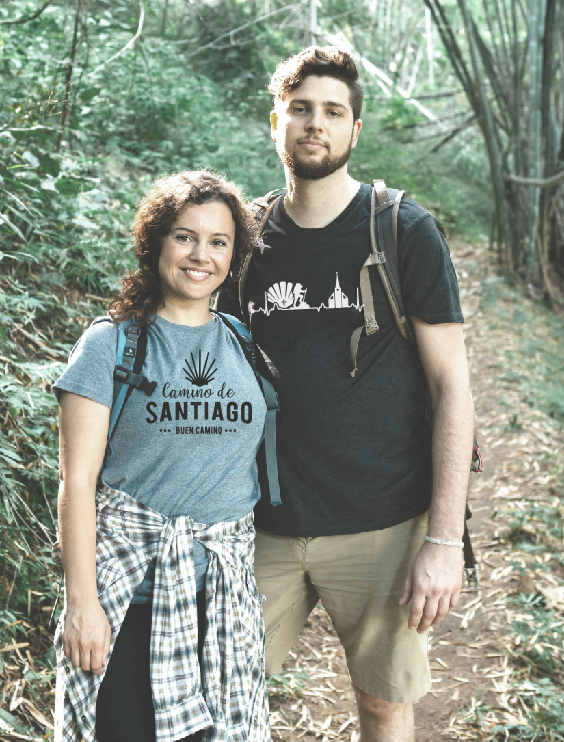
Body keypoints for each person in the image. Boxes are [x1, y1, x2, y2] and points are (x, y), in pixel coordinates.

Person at [216, 47, 474, 742]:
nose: (314, 124)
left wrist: (443, 540)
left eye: (332, 111)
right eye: (300, 108)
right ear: (277, 120)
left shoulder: (401, 230)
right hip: (260, 523)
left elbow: (452, 386)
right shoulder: (244, 239)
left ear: (354, 130)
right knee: (219, 691)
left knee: (383, 704)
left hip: (380, 520)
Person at [52, 171, 272, 742]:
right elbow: (77, 485)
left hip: (218, 604)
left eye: (219, 241)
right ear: (156, 243)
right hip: (130, 601)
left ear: (235, 254)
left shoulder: (243, 344)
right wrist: (82, 605)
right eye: (185, 236)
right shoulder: (111, 345)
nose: (201, 255)